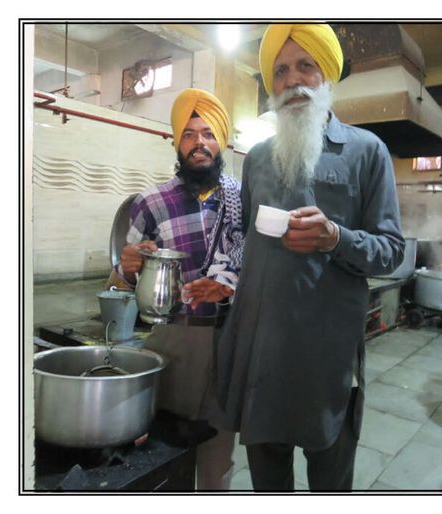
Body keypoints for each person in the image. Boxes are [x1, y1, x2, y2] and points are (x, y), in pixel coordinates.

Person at [209, 23, 406, 492]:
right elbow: (246, 247)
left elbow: (392, 252)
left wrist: (335, 237)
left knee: (330, 486)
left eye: (305, 66)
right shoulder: (256, 159)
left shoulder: (366, 152)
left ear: (327, 77)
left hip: (328, 360)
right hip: (262, 358)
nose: (292, 80)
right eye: (280, 70)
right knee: (268, 485)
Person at [115, 87, 243, 490]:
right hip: (174, 342)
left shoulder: (244, 199)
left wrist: (232, 288)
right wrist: (126, 266)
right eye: (189, 134)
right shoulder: (151, 203)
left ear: (220, 141)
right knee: (168, 451)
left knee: (218, 457)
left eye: (207, 133)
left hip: (232, 341)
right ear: (177, 142)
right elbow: (118, 285)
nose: (199, 143)